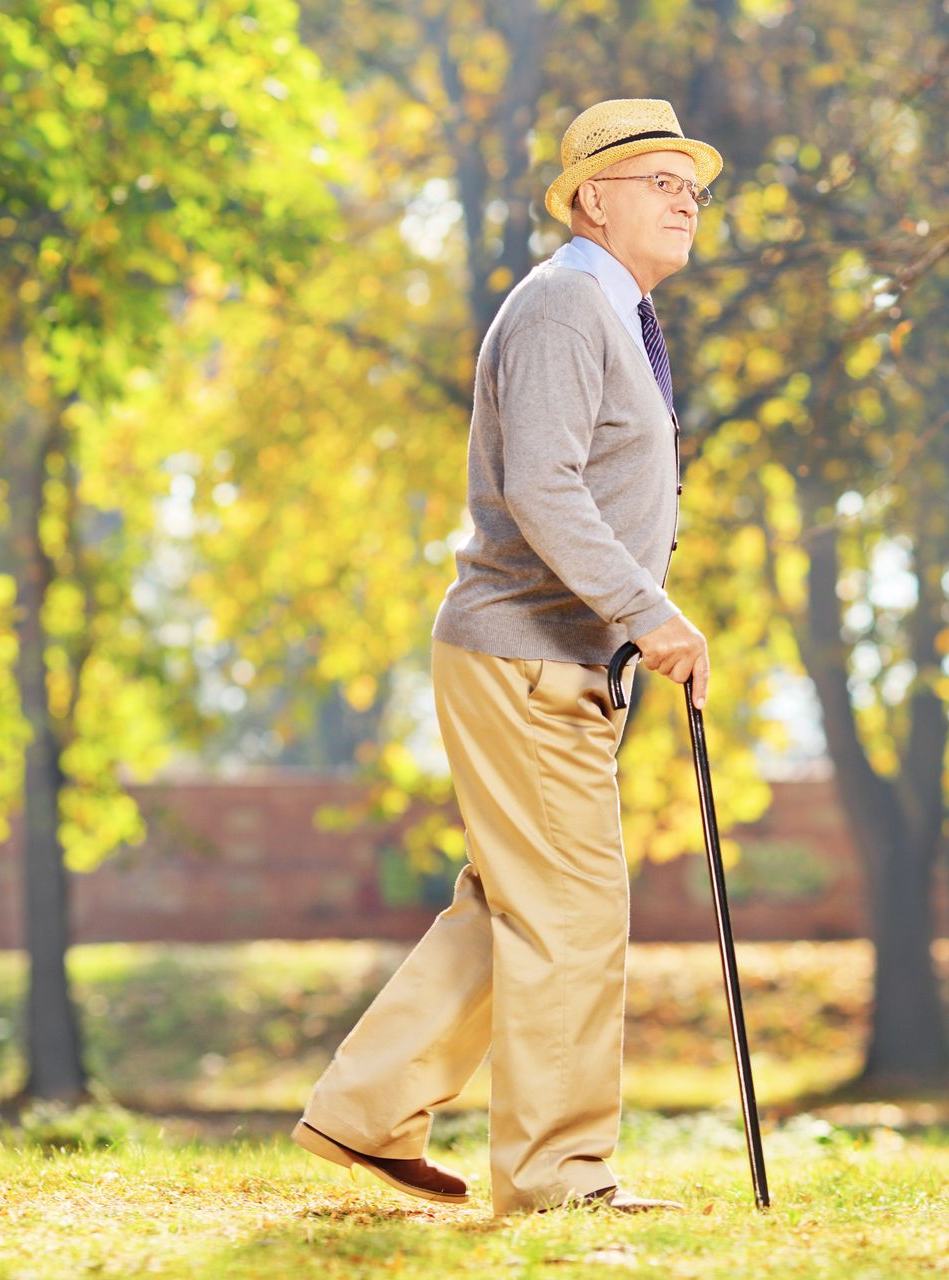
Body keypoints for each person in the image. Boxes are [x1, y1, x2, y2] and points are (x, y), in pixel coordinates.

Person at [289, 98, 723, 1216]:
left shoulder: (607, 313)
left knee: (511, 906)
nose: (685, 197)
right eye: (656, 178)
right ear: (590, 198)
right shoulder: (565, 308)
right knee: (572, 916)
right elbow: (541, 485)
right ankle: (557, 1175)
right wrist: (648, 609)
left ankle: (364, 1110)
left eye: (694, 184)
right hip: (527, 656)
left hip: (547, 659)